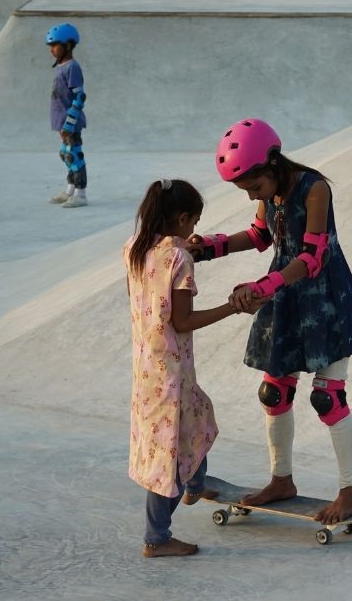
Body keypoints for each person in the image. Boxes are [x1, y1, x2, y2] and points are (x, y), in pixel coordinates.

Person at [189, 118, 352, 525]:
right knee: (274, 393)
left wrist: (264, 286)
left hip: (326, 300)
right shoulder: (270, 192)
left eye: (254, 188)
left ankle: (351, 490)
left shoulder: (315, 189)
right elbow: (260, 236)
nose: (253, 196)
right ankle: (281, 480)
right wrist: (209, 248)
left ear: (273, 163)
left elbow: (311, 258)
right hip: (285, 298)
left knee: (328, 397)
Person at [124, 180, 262, 558]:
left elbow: (163, 263)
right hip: (171, 370)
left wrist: (188, 243)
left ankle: (196, 482)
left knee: (199, 418)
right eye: (193, 222)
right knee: (167, 452)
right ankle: (157, 537)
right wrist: (233, 308)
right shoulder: (178, 261)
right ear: (182, 218)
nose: (194, 229)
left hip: (147, 365)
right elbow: (182, 322)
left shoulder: (135, 249)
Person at [46, 23, 89, 208]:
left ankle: (81, 194)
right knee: (65, 154)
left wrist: (69, 124)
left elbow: (80, 96)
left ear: (68, 46)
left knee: (74, 155)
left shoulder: (72, 67)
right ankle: (70, 189)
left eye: (55, 45)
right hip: (62, 121)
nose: (52, 50)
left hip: (69, 122)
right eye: (51, 46)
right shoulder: (62, 66)